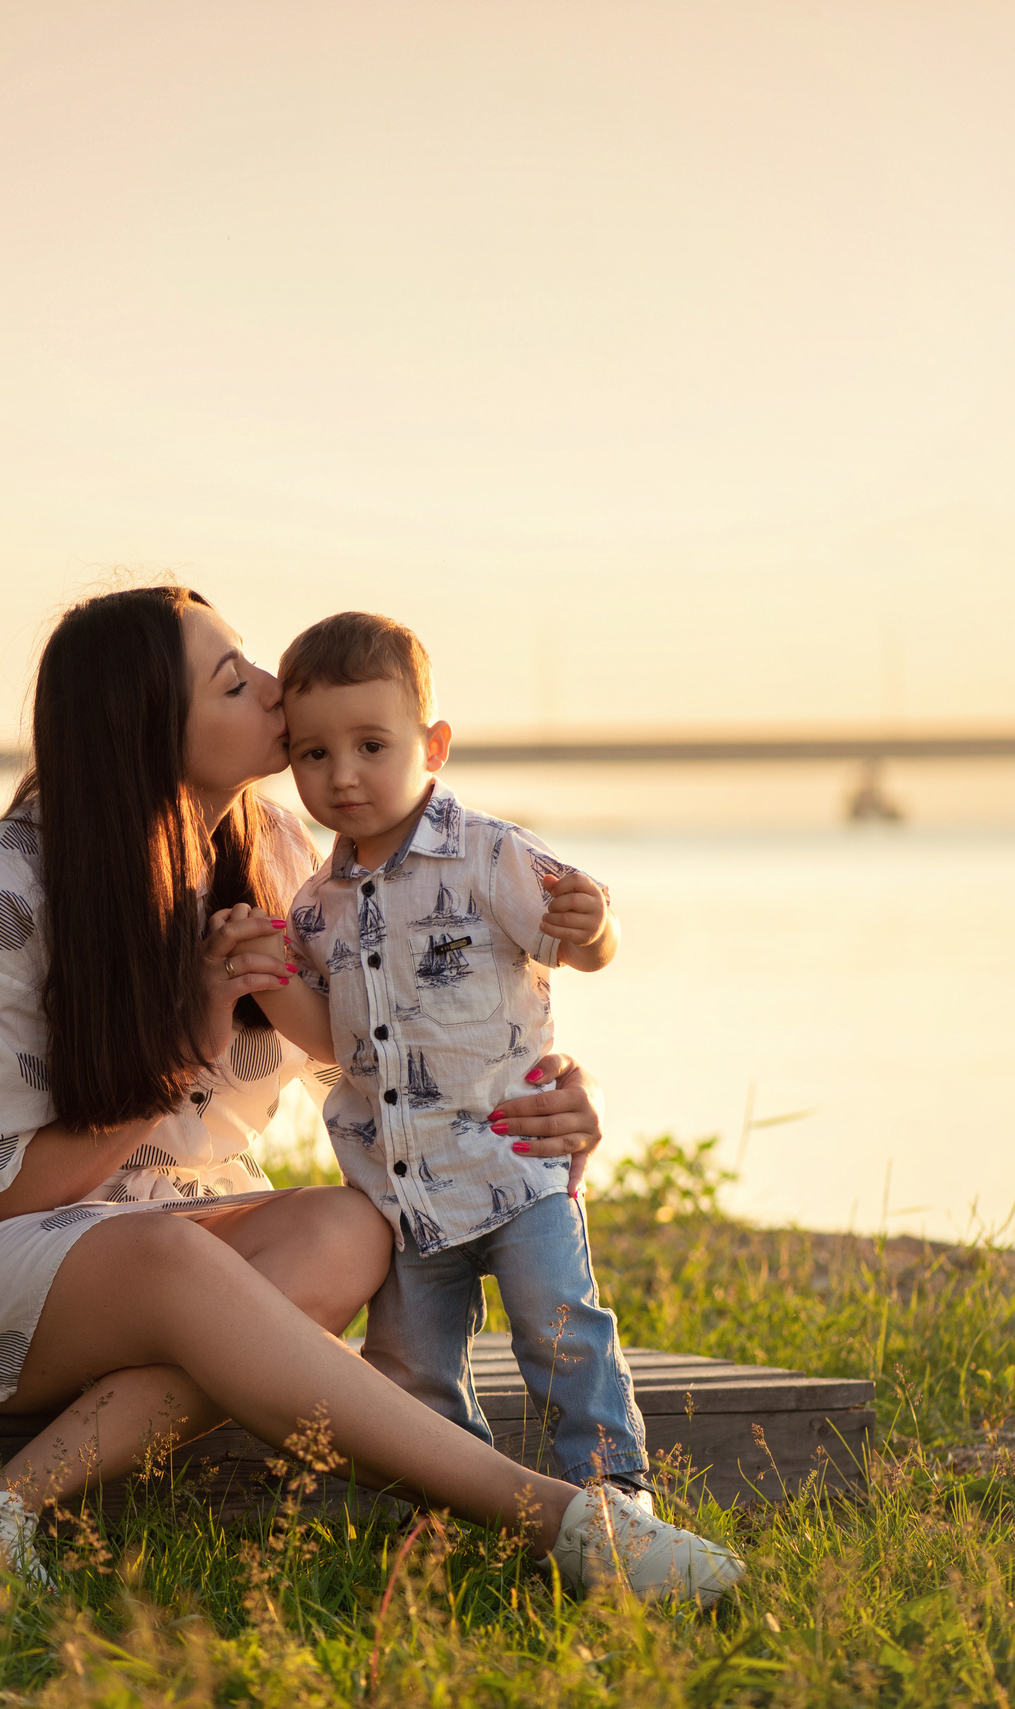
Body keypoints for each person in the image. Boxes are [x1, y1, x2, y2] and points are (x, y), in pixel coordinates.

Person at [0, 584, 738, 1600]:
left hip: (160, 1243)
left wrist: (551, 1092)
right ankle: (557, 1516)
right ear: (150, 726)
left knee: (348, 1229)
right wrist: (195, 1026)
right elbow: (3, 1200)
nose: (275, 687)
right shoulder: (16, 885)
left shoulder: (287, 852)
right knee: (171, 1258)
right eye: (233, 677)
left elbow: (401, 1042)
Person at [253, 612, 693, 1558]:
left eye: (373, 746)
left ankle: (616, 1492)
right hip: (401, 1182)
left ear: (433, 745)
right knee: (412, 1365)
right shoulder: (314, 907)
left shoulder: (488, 853)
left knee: (562, 1330)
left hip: (515, 1160)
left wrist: (593, 924)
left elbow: (580, 946)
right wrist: (263, 980)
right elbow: (329, 1037)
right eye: (312, 752)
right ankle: (459, 1508)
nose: (342, 775)